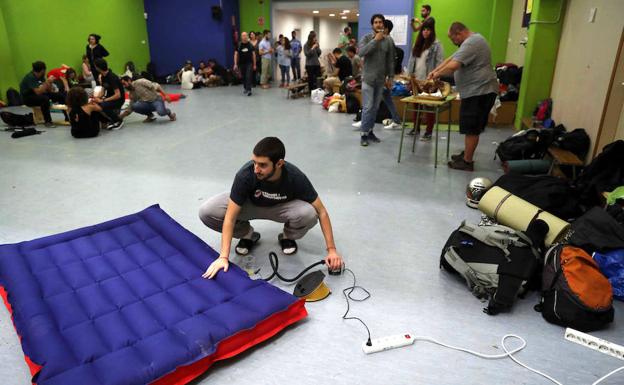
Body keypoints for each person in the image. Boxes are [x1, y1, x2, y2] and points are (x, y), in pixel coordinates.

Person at [199, 137, 344, 279]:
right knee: (207, 211)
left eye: (262, 165)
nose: (256, 169)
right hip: (250, 205)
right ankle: (247, 234)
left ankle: (287, 236)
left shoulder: (295, 177)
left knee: (309, 213)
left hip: (281, 208)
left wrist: (332, 251)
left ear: (279, 163)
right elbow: (230, 218)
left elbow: (322, 212)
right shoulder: (245, 174)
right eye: (254, 163)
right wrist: (223, 257)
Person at [428, 22, 498, 171]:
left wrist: (437, 75)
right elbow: (450, 59)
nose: (453, 42)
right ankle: (467, 154)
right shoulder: (471, 41)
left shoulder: (472, 42)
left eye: (452, 38)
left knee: (472, 128)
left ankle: (467, 162)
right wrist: (435, 71)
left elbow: (453, 66)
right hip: (475, 91)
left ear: (458, 34)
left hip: (480, 91)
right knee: (469, 126)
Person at [356, 14, 395, 147]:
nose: (378, 24)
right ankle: (363, 134)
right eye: (375, 22)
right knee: (367, 107)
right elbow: (361, 52)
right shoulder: (366, 38)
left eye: (380, 22)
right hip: (368, 79)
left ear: (383, 24)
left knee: (375, 107)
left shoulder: (389, 41)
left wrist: (390, 77)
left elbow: (390, 61)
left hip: (380, 80)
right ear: (372, 25)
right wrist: (375, 40)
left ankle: (370, 131)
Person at [408, 20, 444, 140]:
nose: (425, 32)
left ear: (432, 31)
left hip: (429, 81)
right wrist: (410, 77)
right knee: (416, 105)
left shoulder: (436, 45)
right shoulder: (417, 44)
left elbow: (440, 62)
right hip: (416, 80)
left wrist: (436, 78)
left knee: (429, 106)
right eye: (423, 29)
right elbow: (411, 61)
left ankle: (428, 132)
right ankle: (416, 128)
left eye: (428, 30)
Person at [20, 61, 66, 128]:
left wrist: (50, 83)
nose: (45, 72)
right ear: (42, 70)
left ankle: (67, 117)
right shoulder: (30, 77)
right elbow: (38, 92)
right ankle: (48, 122)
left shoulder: (41, 76)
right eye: (44, 70)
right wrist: (47, 82)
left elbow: (49, 90)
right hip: (28, 98)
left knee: (60, 96)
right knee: (44, 99)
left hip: (38, 95)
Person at [93, 58, 125, 130]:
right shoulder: (103, 76)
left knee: (102, 105)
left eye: (95, 66)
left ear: (98, 67)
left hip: (118, 100)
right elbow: (103, 89)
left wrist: (103, 100)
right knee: (94, 103)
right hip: (110, 97)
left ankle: (118, 120)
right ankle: (106, 121)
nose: (95, 68)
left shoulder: (111, 77)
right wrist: (96, 97)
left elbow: (118, 95)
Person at [234, 32, 257, 96]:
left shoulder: (250, 45)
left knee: (248, 76)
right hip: (241, 64)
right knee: (243, 76)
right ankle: (245, 88)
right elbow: (235, 54)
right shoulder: (238, 45)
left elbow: (254, 55)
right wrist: (235, 64)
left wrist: (254, 64)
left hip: (249, 63)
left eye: (245, 35)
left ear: (247, 36)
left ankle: (249, 90)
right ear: (241, 37)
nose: (244, 37)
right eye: (243, 36)